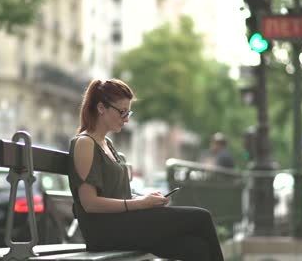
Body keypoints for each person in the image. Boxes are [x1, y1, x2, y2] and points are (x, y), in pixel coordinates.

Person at [67, 79, 225, 261]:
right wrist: (140, 204)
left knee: (197, 249)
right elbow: (89, 203)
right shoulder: (85, 143)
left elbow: (117, 194)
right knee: (201, 218)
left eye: (128, 112)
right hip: (105, 231)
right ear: (101, 108)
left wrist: (145, 200)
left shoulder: (107, 144)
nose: (126, 119)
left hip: (123, 223)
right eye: (122, 112)